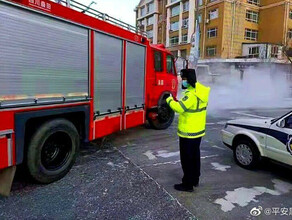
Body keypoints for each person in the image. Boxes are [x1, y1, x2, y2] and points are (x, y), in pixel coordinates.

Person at [166, 69, 210, 192]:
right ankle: (195, 179)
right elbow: (187, 106)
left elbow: (179, 108)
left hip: (188, 132)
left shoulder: (191, 95)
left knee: (187, 159)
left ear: (188, 80)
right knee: (195, 156)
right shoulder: (200, 91)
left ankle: (187, 184)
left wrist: (169, 99)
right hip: (198, 131)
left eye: (183, 79)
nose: (182, 82)